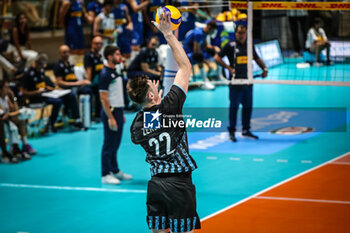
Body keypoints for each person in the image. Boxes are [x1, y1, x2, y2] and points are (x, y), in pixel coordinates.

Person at [127, 13, 200, 233]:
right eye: (152, 85)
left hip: (156, 185)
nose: (155, 84)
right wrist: (168, 34)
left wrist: (154, 102)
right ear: (151, 95)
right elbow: (185, 67)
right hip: (180, 185)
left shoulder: (137, 128)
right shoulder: (170, 107)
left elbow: (152, 122)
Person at [214, 24, 268, 142]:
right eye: (239, 33)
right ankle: (232, 131)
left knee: (247, 107)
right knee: (234, 108)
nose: (242, 35)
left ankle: (246, 130)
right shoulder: (230, 46)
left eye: (244, 33)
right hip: (235, 82)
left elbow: (257, 58)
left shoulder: (250, 46)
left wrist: (264, 69)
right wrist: (228, 68)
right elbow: (216, 58)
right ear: (236, 34)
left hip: (248, 82)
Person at [21, 53, 81, 132]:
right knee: (58, 102)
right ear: (36, 62)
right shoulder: (28, 74)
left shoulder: (41, 71)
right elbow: (23, 92)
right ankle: (51, 124)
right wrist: (36, 92)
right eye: (41, 65)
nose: (42, 67)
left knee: (69, 95)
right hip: (35, 98)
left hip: (45, 94)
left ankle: (76, 119)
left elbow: (42, 85)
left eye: (43, 65)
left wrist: (53, 89)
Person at [99, 45, 132, 184]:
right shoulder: (105, 74)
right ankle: (105, 174)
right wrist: (111, 117)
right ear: (110, 56)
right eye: (118, 54)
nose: (121, 57)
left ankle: (115, 169)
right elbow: (103, 98)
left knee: (116, 143)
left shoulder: (116, 72)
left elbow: (117, 94)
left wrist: (121, 113)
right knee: (109, 143)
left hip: (118, 111)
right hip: (110, 112)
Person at [0, 80, 32, 162]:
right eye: (6, 87)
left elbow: (13, 109)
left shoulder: (6, 98)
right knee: (10, 126)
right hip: (2, 122)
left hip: (7, 120)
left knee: (21, 120)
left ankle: (22, 146)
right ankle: (5, 152)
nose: (8, 89)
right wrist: (16, 113)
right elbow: (3, 116)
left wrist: (13, 97)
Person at [84, 36, 104, 120]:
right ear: (92, 44)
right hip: (93, 82)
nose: (99, 45)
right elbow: (89, 70)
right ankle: (95, 114)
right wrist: (88, 82)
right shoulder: (89, 56)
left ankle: (99, 113)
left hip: (100, 80)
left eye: (100, 44)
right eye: (97, 43)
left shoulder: (99, 55)